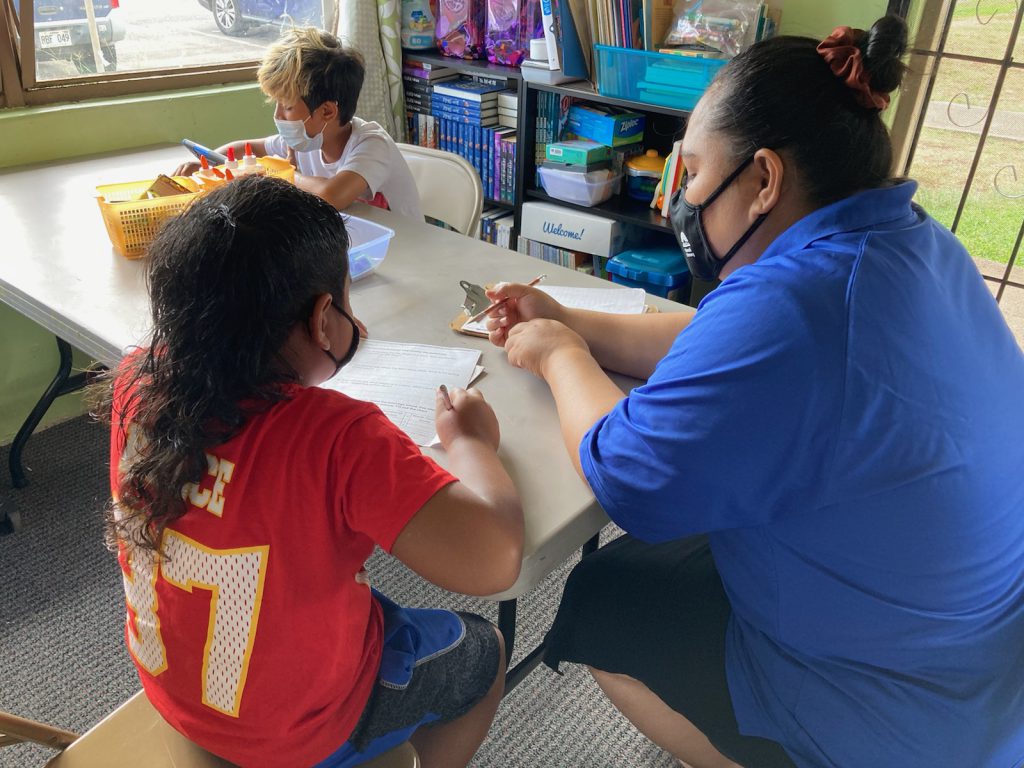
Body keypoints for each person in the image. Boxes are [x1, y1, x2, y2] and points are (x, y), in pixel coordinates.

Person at [484, 15, 1024, 768]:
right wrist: (571, 316)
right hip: (973, 655)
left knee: (602, 597)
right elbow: (721, 344)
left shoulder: (799, 304)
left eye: (695, 174)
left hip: (896, 709)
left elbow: (624, 471)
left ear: (764, 180)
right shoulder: (910, 244)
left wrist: (556, 352)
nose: (681, 198)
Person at [97, 175, 522, 768]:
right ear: (326, 316)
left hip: (176, 695)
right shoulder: (336, 437)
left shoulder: (132, 381)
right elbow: (494, 559)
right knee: (484, 649)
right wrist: (472, 443)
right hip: (300, 729)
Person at [174, 27, 423, 220]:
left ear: (327, 111)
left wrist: (278, 173)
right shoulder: (307, 139)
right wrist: (207, 164)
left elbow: (330, 195)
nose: (278, 115)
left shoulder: (372, 145)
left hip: (408, 256)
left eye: (288, 106)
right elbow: (249, 148)